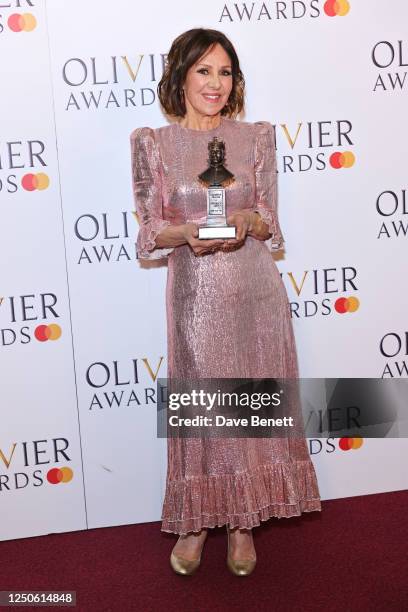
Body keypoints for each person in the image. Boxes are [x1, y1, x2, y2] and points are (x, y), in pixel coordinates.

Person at [130, 28, 321, 576]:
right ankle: (196, 520)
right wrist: (189, 230)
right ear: (180, 77)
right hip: (196, 294)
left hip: (255, 288)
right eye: (203, 71)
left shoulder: (256, 137)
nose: (215, 83)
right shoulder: (154, 144)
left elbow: (267, 217)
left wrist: (245, 221)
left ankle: (243, 523)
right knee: (204, 405)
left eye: (225, 72)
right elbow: (151, 230)